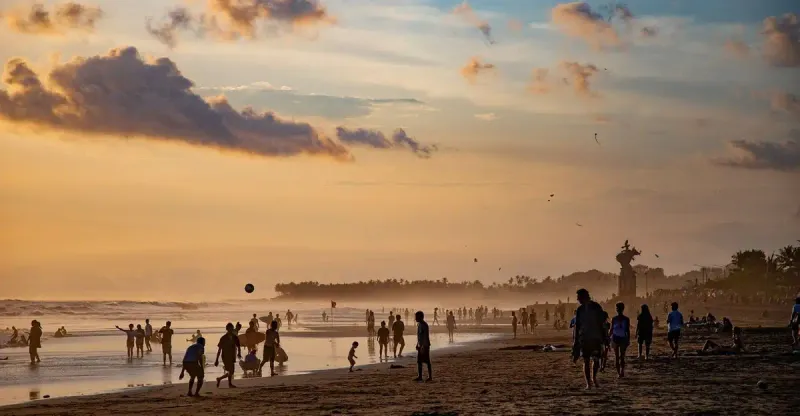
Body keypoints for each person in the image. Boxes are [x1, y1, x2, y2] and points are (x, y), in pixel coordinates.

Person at [572, 288, 605, 389]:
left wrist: (604, 337)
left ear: (583, 297)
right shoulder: (580, 309)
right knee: (586, 360)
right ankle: (589, 383)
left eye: (578, 297)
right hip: (585, 338)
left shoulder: (596, 307)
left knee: (595, 359)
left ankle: (593, 378)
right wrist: (576, 342)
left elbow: (602, 322)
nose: (577, 299)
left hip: (595, 337)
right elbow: (577, 327)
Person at [215, 323, 242, 388]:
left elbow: (238, 346)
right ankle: (229, 384)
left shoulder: (235, 337)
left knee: (231, 371)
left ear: (232, 329)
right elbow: (219, 349)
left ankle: (219, 379)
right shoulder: (223, 338)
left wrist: (239, 353)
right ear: (227, 329)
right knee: (230, 370)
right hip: (225, 356)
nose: (230, 330)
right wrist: (216, 360)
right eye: (229, 328)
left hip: (232, 355)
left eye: (231, 328)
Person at [610, 302, 630, 378]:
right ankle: (620, 372)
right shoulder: (625, 319)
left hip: (619, 338)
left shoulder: (615, 319)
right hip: (620, 338)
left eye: (617, 308)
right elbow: (627, 330)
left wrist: (608, 337)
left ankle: (620, 372)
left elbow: (612, 329)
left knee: (618, 357)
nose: (617, 309)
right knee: (620, 357)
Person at [415, 310, 432, 382]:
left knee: (427, 361)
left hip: (425, 345)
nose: (415, 318)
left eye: (416, 317)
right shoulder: (419, 324)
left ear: (421, 317)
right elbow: (419, 336)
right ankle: (420, 376)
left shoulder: (424, 325)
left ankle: (430, 377)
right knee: (419, 361)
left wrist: (422, 346)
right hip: (421, 345)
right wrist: (417, 344)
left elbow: (425, 336)